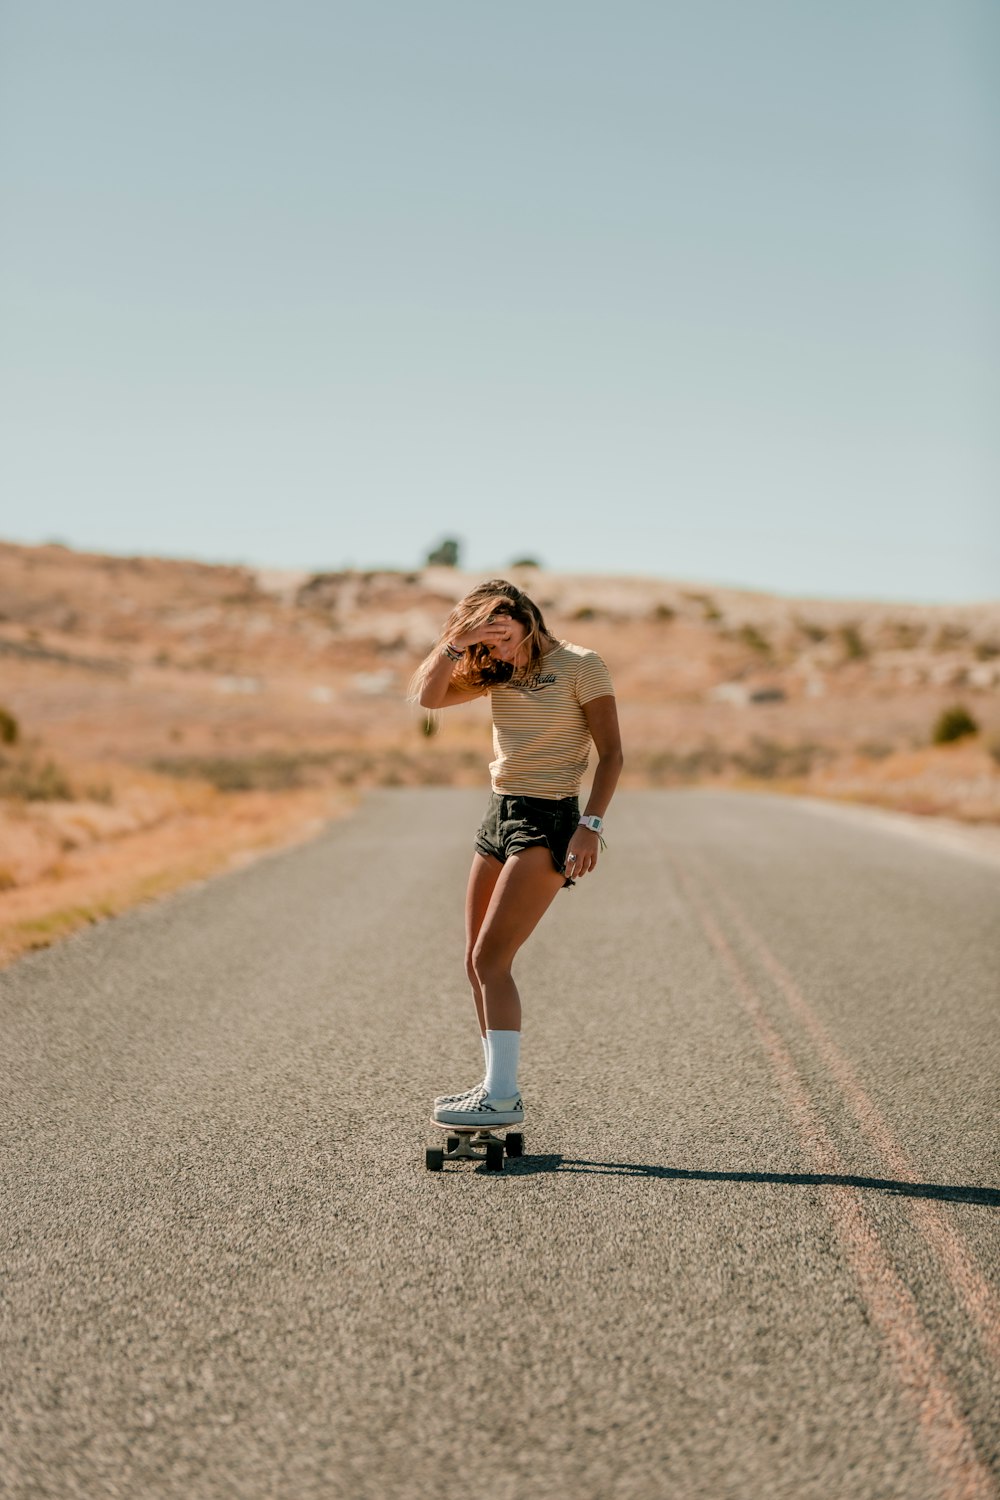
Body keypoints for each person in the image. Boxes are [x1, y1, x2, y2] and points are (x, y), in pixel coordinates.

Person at [409, 578, 623, 1129]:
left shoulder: (581, 665)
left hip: (550, 818)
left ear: (527, 618)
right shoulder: (495, 670)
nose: (498, 650)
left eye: (503, 636)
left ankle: (503, 1096)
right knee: (473, 961)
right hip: (498, 815)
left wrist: (590, 826)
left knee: (491, 960)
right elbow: (429, 698)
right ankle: (492, 1086)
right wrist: (458, 643)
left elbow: (614, 754)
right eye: (488, 640)